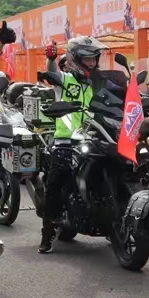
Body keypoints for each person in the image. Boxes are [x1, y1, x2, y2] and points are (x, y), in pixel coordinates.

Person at [38, 35, 107, 254]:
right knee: (57, 179)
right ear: (76, 59)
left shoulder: (99, 82)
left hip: (94, 136)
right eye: (87, 59)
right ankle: (48, 232)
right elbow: (52, 73)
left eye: (94, 59)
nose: (92, 63)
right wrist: (51, 59)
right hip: (66, 140)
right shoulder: (65, 80)